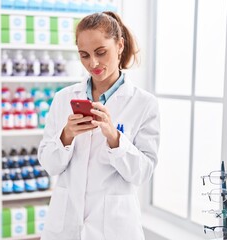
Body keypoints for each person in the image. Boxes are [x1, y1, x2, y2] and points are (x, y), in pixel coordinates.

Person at [38, 11, 160, 240]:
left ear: (120, 45)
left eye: (100, 52)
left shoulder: (144, 103)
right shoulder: (63, 99)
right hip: (66, 226)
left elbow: (142, 173)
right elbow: (50, 165)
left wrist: (115, 139)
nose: (92, 63)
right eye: (84, 55)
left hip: (115, 228)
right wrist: (66, 136)